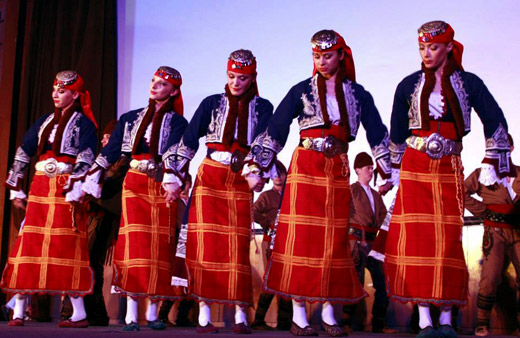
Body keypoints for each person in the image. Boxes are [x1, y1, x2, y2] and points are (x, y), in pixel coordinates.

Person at [246, 29, 392, 337]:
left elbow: (376, 129)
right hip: (306, 166)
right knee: (303, 239)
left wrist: (388, 166)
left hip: (338, 168)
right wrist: (259, 164)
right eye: (316, 57)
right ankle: (299, 313)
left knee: (334, 243)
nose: (322, 62)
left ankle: (328, 312)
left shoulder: (357, 93)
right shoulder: (302, 90)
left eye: (327, 56)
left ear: (341, 55)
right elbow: (277, 125)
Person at [384, 20, 514, 338]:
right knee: (418, 242)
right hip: (415, 165)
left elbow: (495, 118)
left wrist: (490, 160)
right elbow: (397, 131)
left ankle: (446, 318)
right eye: (423, 48)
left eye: (434, 47)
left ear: (447, 48)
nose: (427, 54)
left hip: (449, 164)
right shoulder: (407, 85)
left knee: (447, 242)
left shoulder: (468, 83)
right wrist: (395, 170)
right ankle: (426, 320)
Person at [168, 49, 273, 334]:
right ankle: (203, 314)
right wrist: (174, 175)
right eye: (231, 76)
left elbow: (263, 143)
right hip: (210, 177)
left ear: (252, 78)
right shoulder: (211, 103)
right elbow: (189, 139)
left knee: (236, 249)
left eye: (242, 78)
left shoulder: (263, 107)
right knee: (207, 247)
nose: (236, 82)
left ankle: (240, 313)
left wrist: (256, 172)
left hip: (240, 179)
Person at [82, 66, 188, 331]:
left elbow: (175, 154)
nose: (155, 86)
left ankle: (151, 314)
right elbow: (112, 149)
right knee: (135, 246)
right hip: (135, 184)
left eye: (162, 84)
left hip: (160, 186)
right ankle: (130, 313)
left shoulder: (178, 123)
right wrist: (94, 174)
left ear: (173, 91)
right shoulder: (130, 118)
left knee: (158, 248)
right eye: (153, 80)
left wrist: (173, 179)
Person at [1, 70, 98, 328]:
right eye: (54, 89)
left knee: (66, 246)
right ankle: (19, 308)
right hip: (41, 186)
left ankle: (78, 313)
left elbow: (87, 156)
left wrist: (77, 186)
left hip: (66, 188)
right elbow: (24, 150)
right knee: (30, 244)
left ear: (75, 95)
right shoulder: (45, 121)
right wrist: (16, 186)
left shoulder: (84, 124)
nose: (56, 94)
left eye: (62, 91)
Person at [465, 134, 520, 336]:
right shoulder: (483, 173)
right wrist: (482, 210)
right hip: (495, 231)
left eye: (504, 147)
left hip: (518, 231)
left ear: (511, 149)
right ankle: (482, 323)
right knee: (490, 277)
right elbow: (460, 191)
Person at [342, 152, 396, 334]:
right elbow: (343, 214)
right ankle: (345, 322)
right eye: (367, 168)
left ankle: (379, 324)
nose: (371, 171)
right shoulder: (350, 190)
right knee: (354, 282)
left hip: (374, 243)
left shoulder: (375, 194)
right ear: (357, 169)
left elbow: (382, 216)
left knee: (382, 282)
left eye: (372, 168)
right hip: (355, 241)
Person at [251, 160, 292, 331]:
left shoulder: (291, 194)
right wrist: (269, 222)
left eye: (280, 173)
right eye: (274, 174)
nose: (277, 177)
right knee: (272, 277)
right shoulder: (267, 196)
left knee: (288, 280)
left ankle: (284, 322)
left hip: (290, 241)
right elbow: (253, 211)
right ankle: (259, 319)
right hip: (272, 241)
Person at [158, 174, 196, 327]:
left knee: (191, 282)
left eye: (187, 183)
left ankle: (182, 317)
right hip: (178, 244)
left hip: (192, 245)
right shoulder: (175, 202)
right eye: (183, 183)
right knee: (175, 282)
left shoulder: (192, 201)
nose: (185, 187)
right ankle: (162, 315)